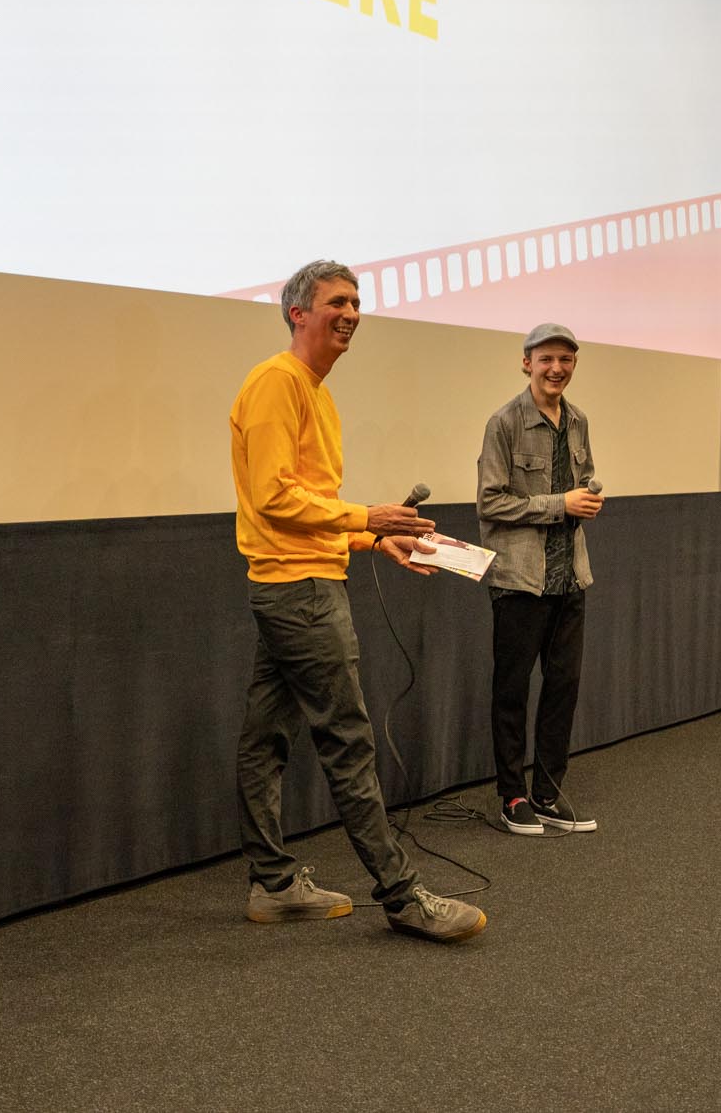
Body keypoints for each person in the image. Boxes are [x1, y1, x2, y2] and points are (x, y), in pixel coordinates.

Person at [230, 259, 487, 943]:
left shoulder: (315, 392)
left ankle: (274, 882)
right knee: (348, 742)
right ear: (298, 312)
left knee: (265, 739)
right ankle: (401, 894)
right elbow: (272, 497)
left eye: (356, 302)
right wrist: (366, 519)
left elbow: (302, 506)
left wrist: (375, 541)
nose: (351, 313)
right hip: (300, 592)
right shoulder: (277, 383)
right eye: (336, 302)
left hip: (300, 580)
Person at [477, 323, 602, 836]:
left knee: (563, 688)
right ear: (526, 362)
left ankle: (548, 794)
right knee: (511, 691)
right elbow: (490, 502)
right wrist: (561, 504)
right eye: (547, 359)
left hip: (569, 578)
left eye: (566, 361)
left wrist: (590, 497)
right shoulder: (504, 422)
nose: (557, 369)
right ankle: (512, 797)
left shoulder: (578, 421)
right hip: (520, 580)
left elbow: (585, 476)